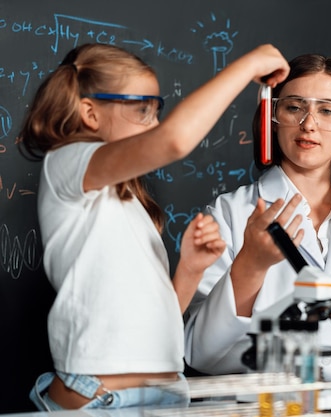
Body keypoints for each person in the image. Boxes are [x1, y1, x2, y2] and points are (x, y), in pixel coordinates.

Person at [19, 42, 289, 411]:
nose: (155, 123)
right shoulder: (65, 165)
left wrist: (191, 270)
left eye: (157, 109)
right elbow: (173, 140)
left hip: (164, 394)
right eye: (143, 109)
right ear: (90, 113)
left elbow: (152, 327)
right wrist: (249, 65)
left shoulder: (127, 204)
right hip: (104, 400)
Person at [184, 53, 331, 394]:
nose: (309, 124)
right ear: (273, 117)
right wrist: (250, 266)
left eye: (327, 110)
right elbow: (200, 352)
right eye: (294, 107)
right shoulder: (229, 213)